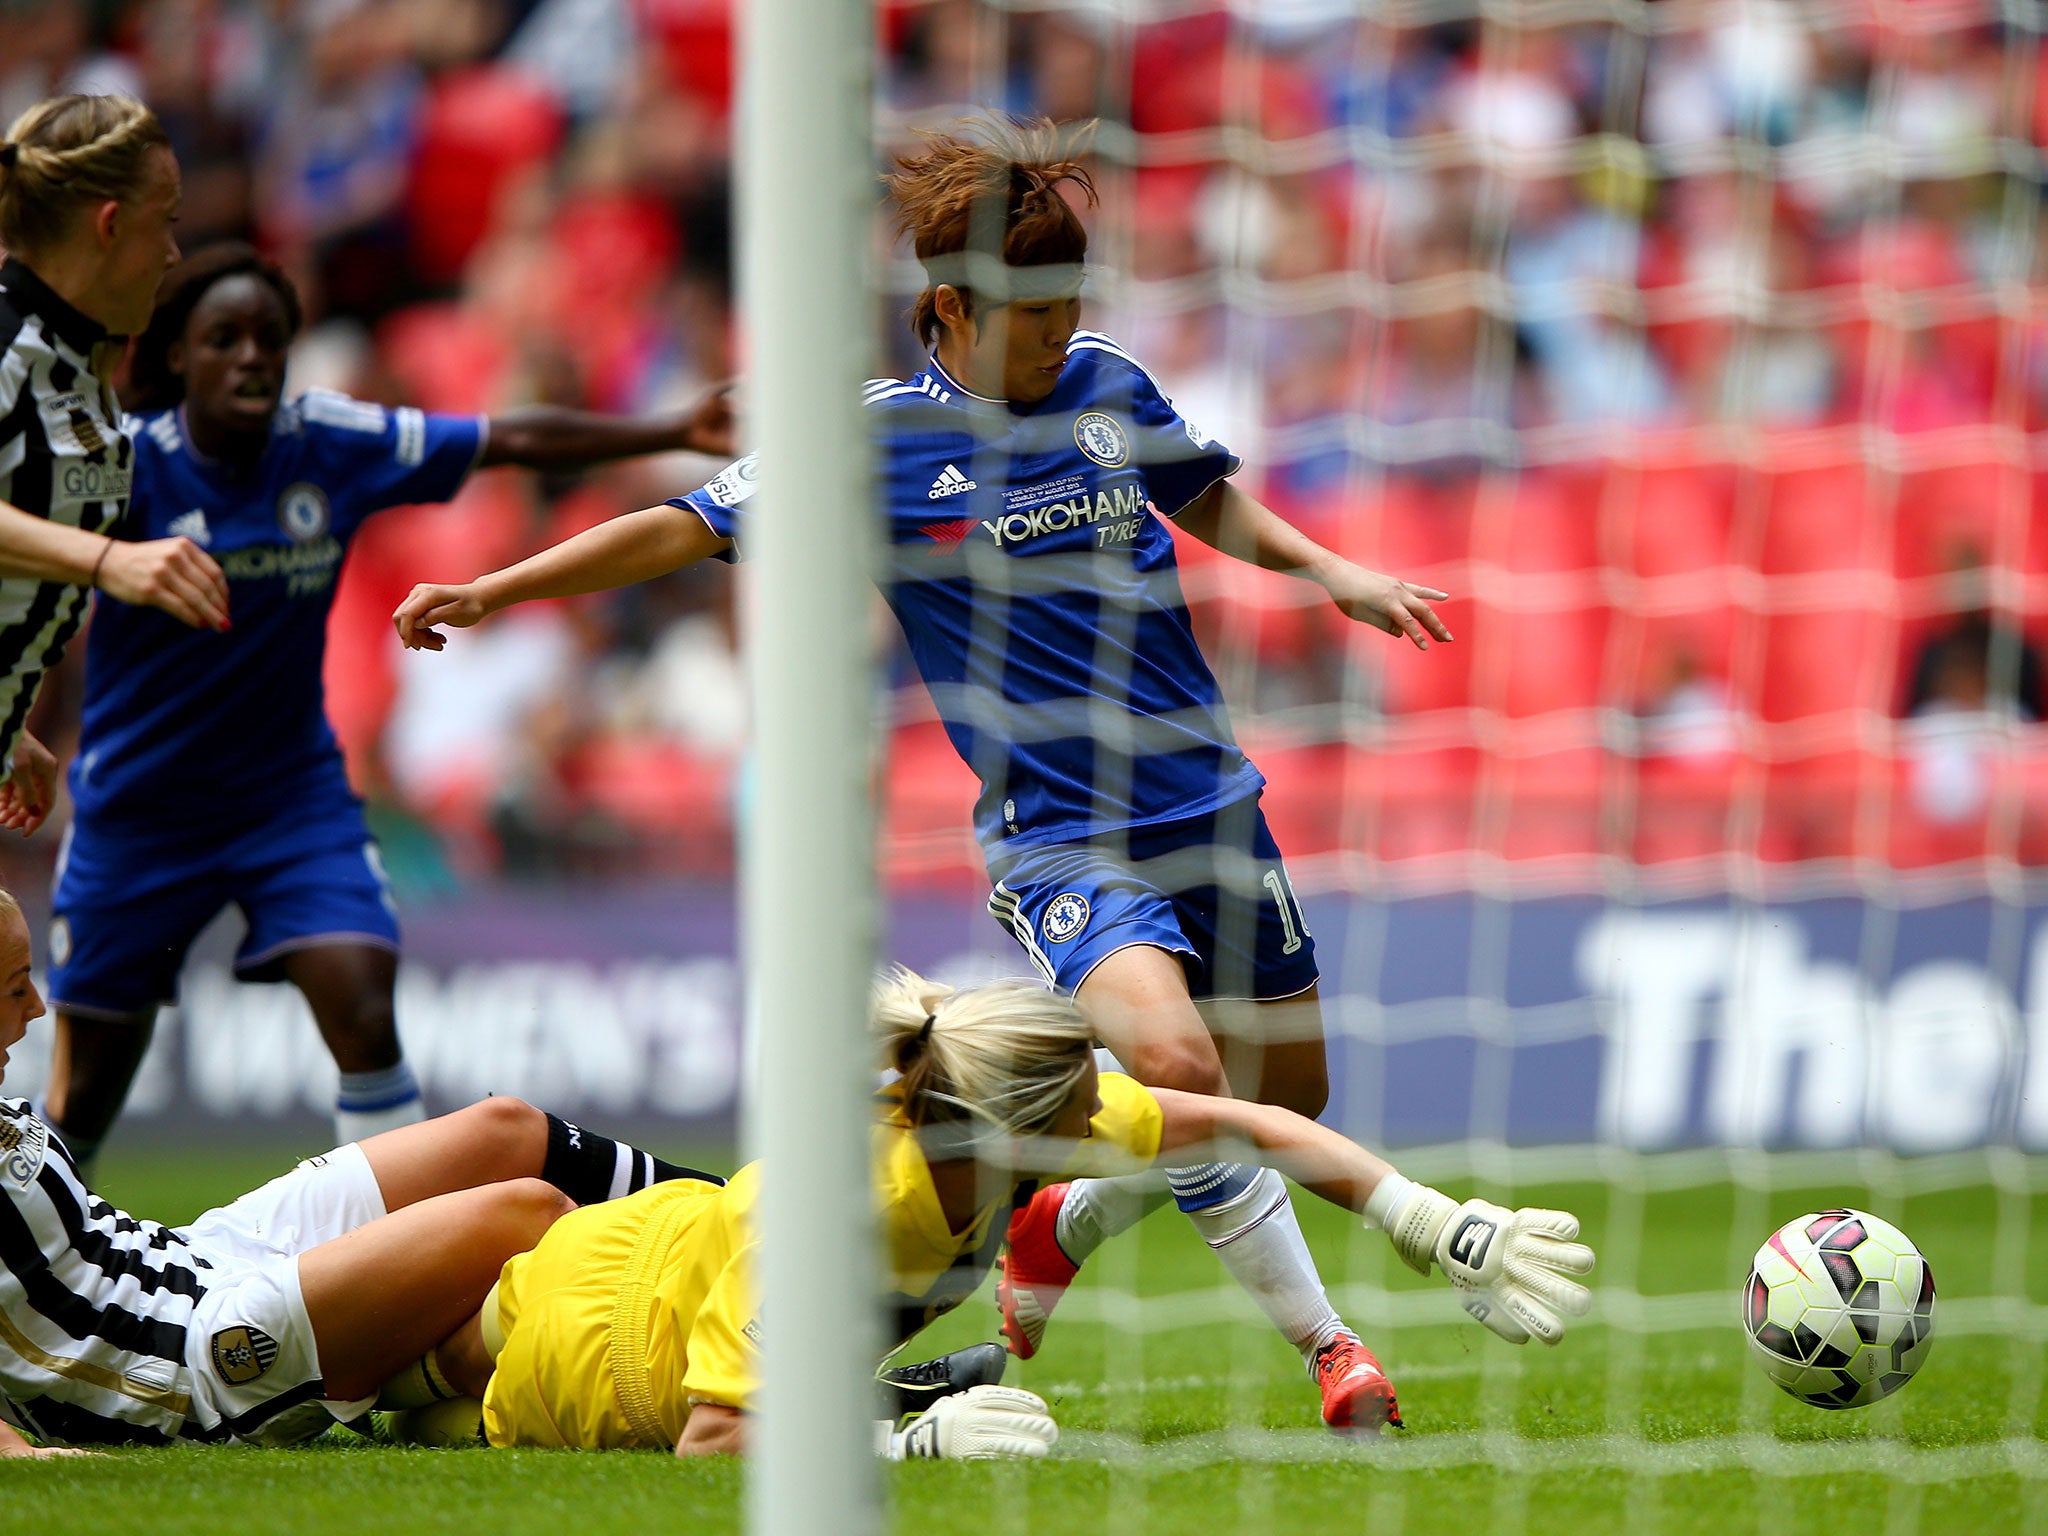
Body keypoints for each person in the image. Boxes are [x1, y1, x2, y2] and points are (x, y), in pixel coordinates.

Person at [391, 116, 1455, 1432]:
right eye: (1034, 315)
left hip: (1207, 801)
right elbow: (682, 525)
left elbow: (1201, 496)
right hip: (1063, 832)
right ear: (949, 308)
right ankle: (1334, 1355)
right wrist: (496, 588)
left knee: (1286, 1096)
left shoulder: (1109, 387)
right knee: (1180, 1061)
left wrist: (1333, 572)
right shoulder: (876, 441)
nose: (1060, 333)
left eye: (1072, 306)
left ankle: (1061, 1218)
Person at [37, 241, 735, 1175]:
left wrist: (671, 431)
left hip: (292, 798)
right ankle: (35, 1257)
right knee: (87, 1091)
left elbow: (504, 440)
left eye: (269, 339)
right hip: (138, 808)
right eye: (223, 338)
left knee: (363, 999)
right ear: (176, 358)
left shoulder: (330, 443)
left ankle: (396, 1252)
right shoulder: (123, 471)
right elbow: (24, 574)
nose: (251, 356)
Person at [411, 968, 1592, 1455]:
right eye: (1082, 1110)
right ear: (1007, 1134)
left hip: (668, 1263)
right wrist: (899, 1445)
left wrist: (1428, 1220)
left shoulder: (1012, 1123)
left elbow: (1246, 1126)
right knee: (419, 1410)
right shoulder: (838, 1215)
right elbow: (711, 1441)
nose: (1105, 1122)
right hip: (600, 1338)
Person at [0, 883, 710, 1454]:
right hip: (183, 1364)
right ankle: (715, 1318)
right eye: (12, 989)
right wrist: (15, 1452)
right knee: (528, 1212)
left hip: (195, 1253)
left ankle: (734, 1218)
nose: (36, 1008)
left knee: (506, 1131)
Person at [0, 94, 230, 839]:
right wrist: (110, 561)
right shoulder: (7, 349)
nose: (172, 252)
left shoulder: (78, 363)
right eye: (164, 221)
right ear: (109, 225)